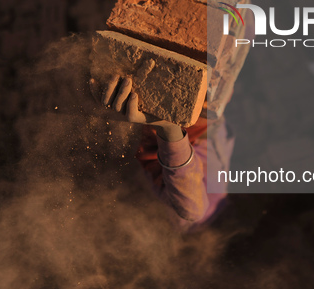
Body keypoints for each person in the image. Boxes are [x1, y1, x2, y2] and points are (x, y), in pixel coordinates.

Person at [89, 75, 234, 230]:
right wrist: (168, 127)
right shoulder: (204, 209)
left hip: (185, 110)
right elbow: (193, 210)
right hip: (176, 115)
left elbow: (192, 208)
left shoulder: (218, 193)